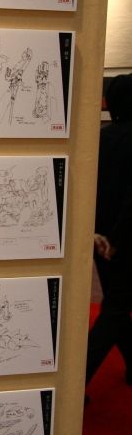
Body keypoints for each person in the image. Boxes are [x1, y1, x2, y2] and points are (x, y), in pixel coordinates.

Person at [86, 74, 132, 388]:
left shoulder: (101, 139)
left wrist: (97, 235)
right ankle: (78, 380)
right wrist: (117, 238)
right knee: (116, 307)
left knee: (117, 302)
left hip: (100, 239)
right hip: (122, 239)